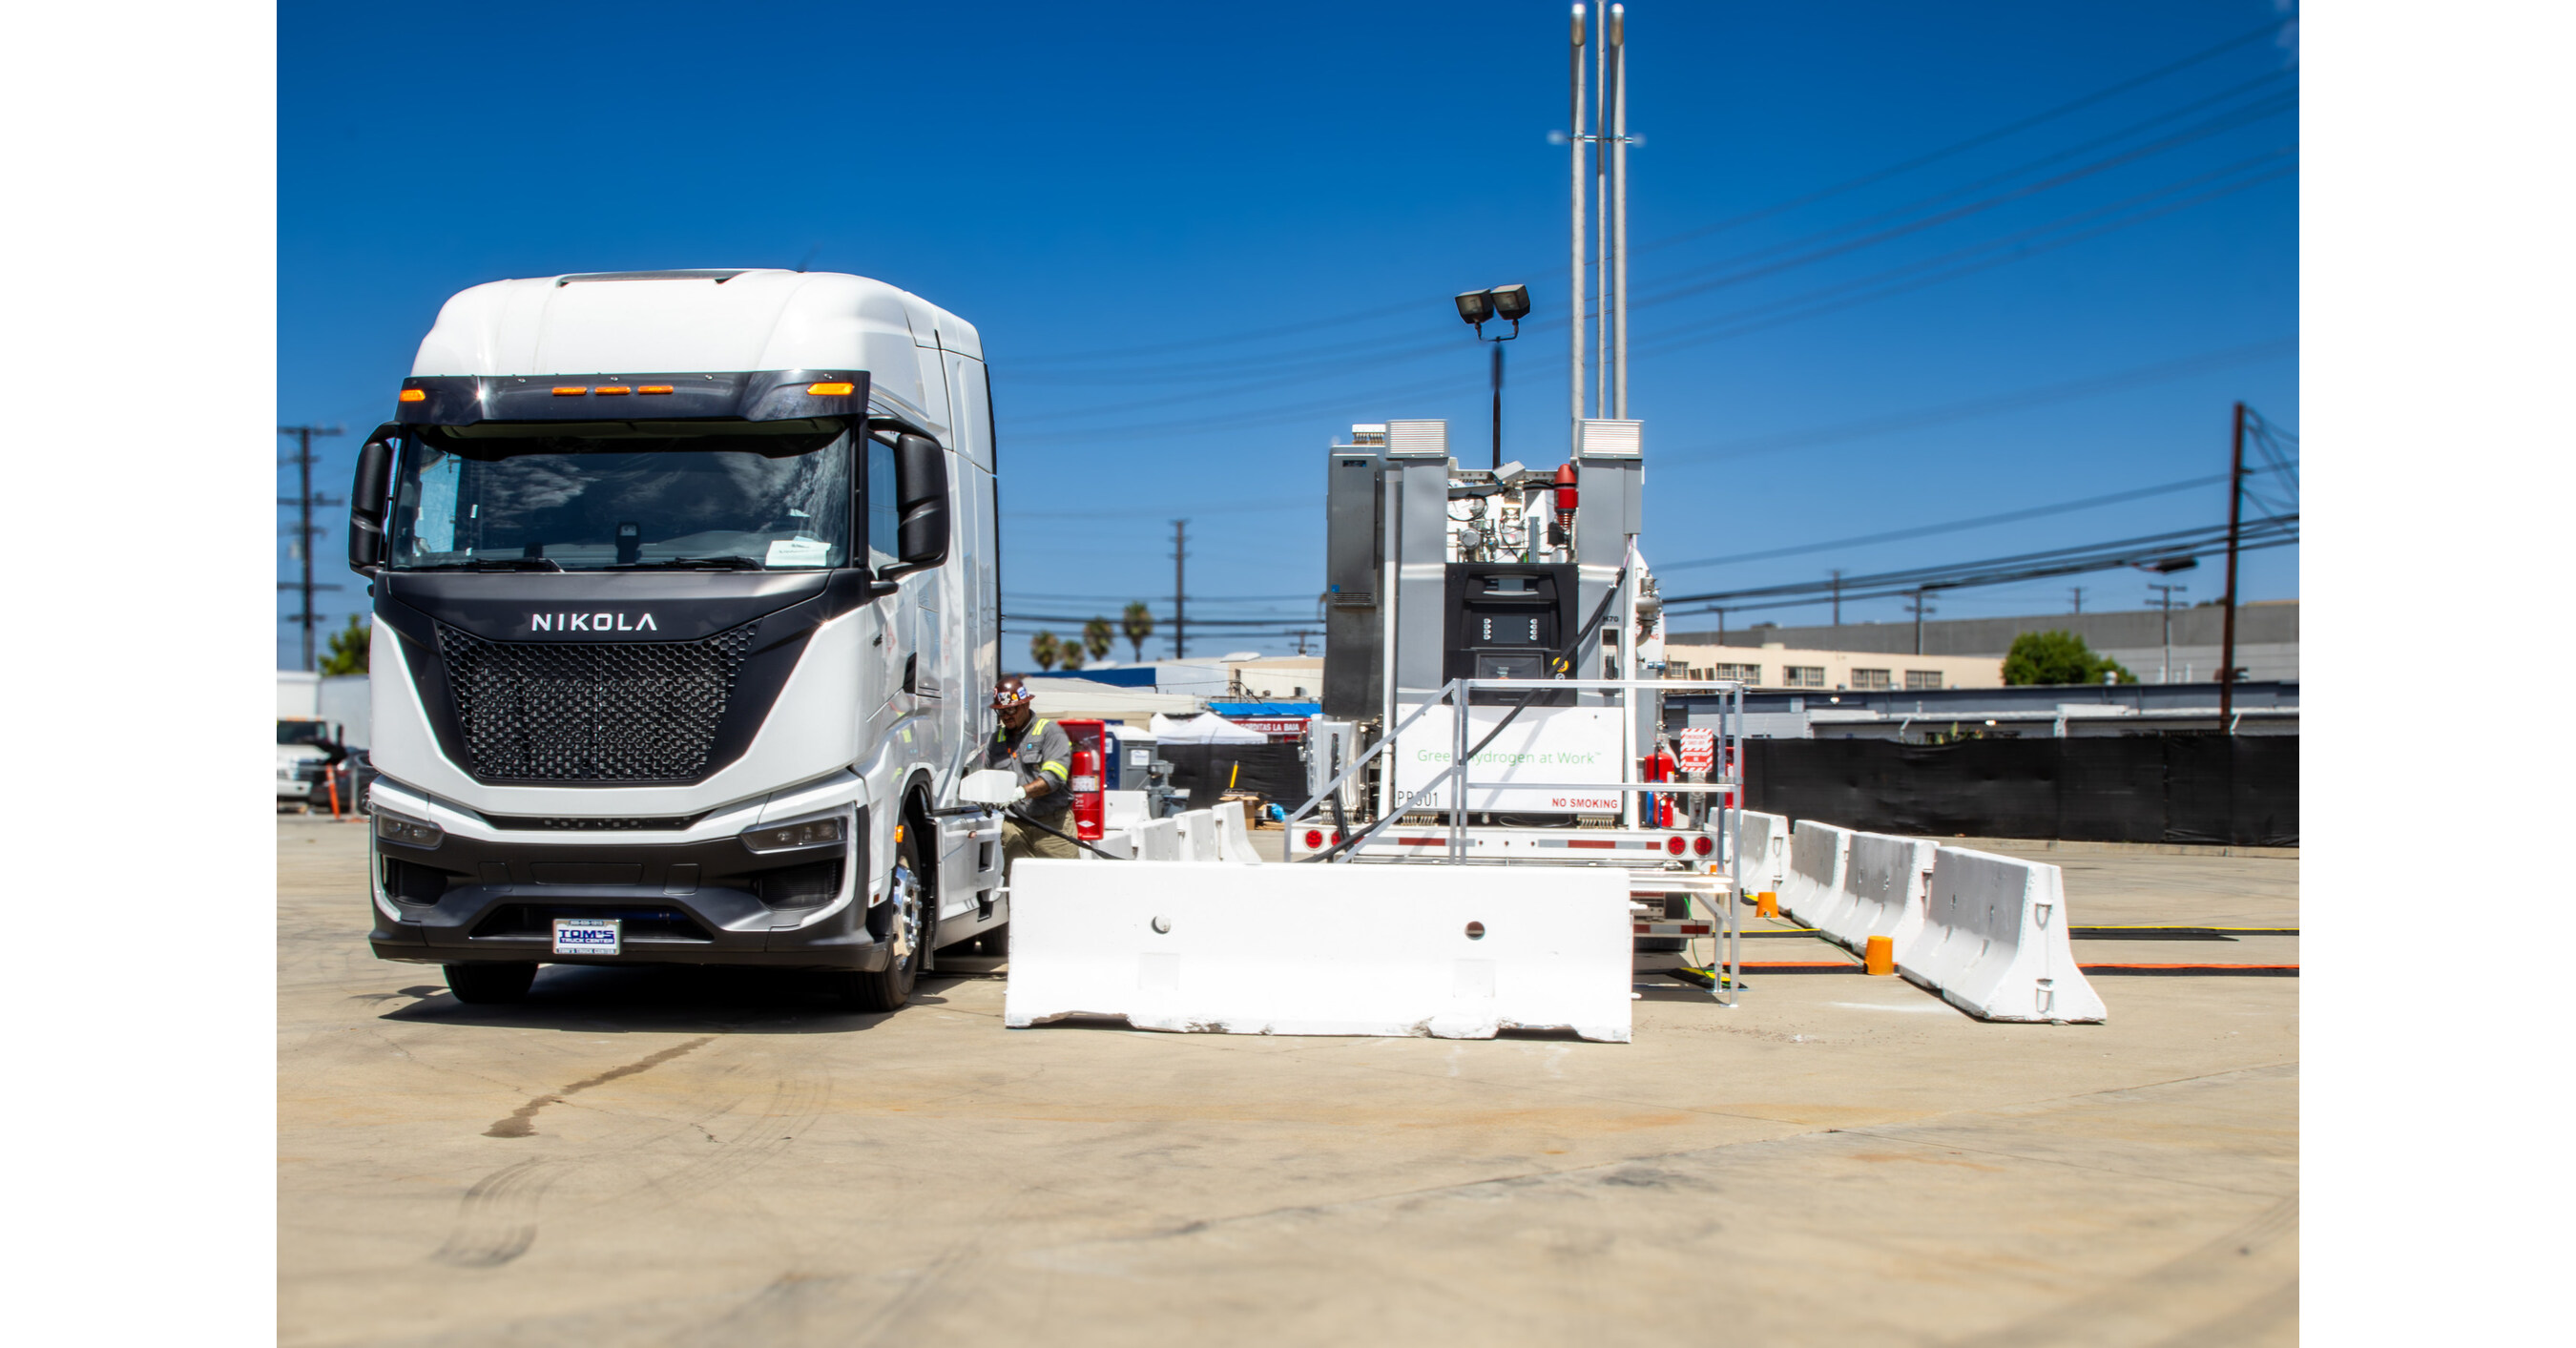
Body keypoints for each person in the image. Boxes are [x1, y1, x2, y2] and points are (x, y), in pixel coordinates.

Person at [987, 676, 1080, 867]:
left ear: (1026, 704)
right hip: (1014, 827)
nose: (1006, 716)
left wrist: (1021, 792)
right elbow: (986, 778)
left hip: (1053, 827)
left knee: (1064, 884)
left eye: (1011, 709)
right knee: (1018, 885)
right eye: (1001, 712)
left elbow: (1054, 778)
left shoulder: (1050, 733)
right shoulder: (995, 741)